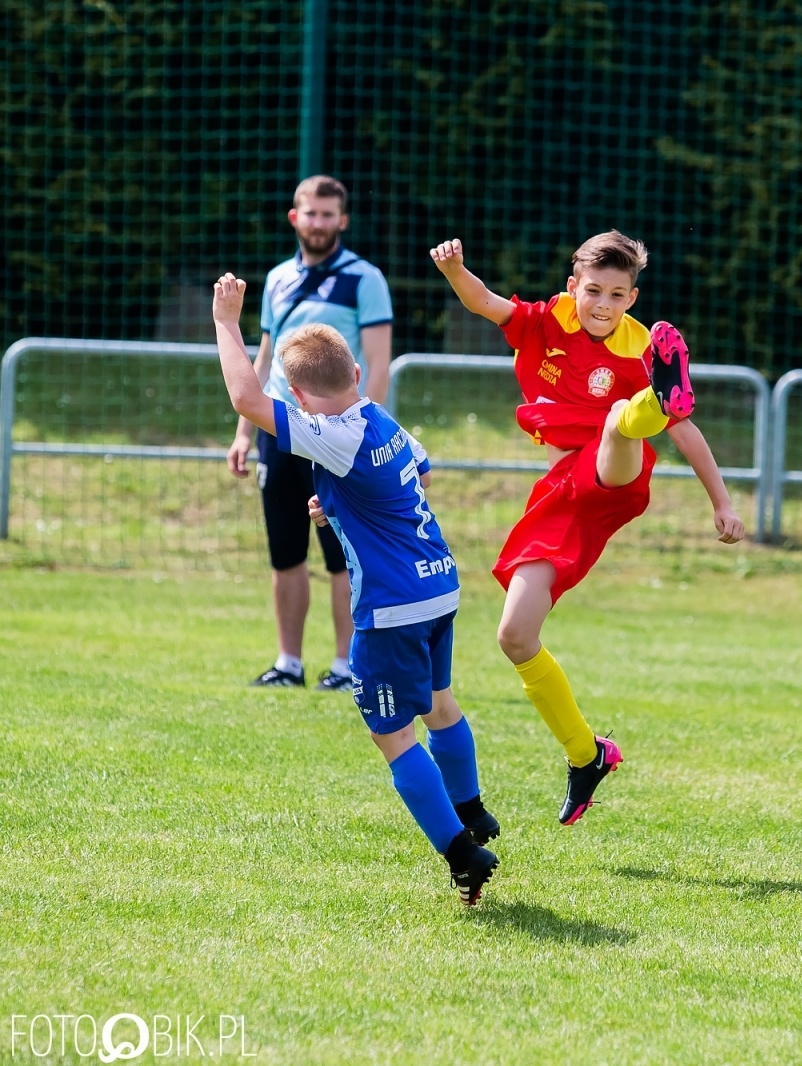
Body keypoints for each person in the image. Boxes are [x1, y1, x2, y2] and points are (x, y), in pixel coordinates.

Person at [429, 231, 744, 825]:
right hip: (562, 497)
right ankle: (586, 755)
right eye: (593, 290)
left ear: (632, 299)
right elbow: (485, 301)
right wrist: (454, 272)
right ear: (574, 286)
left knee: (620, 427)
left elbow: (686, 433)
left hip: (615, 474)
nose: (602, 304)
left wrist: (721, 503)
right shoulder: (547, 320)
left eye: (617, 295)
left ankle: (655, 398)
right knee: (514, 635)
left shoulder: (638, 344)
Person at [212, 274, 499, 906]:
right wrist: (340, 505)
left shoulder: (328, 429)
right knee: (440, 705)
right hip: (439, 585)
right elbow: (414, 470)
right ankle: (473, 810)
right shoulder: (373, 415)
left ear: (303, 395)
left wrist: (228, 322)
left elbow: (245, 399)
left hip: (393, 605)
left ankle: (463, 854)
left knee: (392, 735)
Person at [225, 175, 394, 691]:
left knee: (342, 556)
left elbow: (379, 363)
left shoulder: (365, 279)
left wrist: (364, 433)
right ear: (294, 217)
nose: (318, 222)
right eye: (310, 212)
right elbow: (265, 357)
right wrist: (243, 434)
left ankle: (346, 666)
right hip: (280, 431)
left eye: (328, 214)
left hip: (337, 436)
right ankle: (289, 664)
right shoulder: (276, 279)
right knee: (285, 551)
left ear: (342, 220)